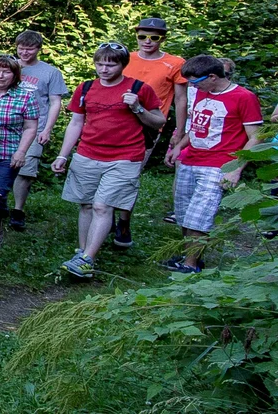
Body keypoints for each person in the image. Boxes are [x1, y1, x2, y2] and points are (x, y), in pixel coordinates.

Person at [53, 43, 165, 279]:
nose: (104, 69)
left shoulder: (139, 88)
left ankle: (87, 260)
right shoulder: (85, 88)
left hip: (125, 157)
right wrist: (63, 154)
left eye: (110, 64)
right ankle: (82, 253)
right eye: (99, 63)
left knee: (102, 206)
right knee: (85, 204)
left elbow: (158, 121)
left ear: (123, 64)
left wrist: (137, 108)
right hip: (87, 154)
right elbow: (76, 123)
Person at [164, 56, 262, 273]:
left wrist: (236, 169)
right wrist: (179, 146)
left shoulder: (244, 97)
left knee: (199, 216)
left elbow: (256, 138)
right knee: (184, 214)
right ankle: (189, 256)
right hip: (191, 159)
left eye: (196, 82)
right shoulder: (202, 92)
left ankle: (190, 265)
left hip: (219, 164)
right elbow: (198, 125)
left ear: (213, 77)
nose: (192, 86)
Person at [117, 18, 186, 249]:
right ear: (136, 36)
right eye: (143, 36)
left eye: (154, 37)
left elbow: (181, 99)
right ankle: (103, 216)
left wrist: (179, 132)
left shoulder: (175, 63)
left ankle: (123, 222)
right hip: (114, 123)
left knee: (130, 176)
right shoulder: (125, 58)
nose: (148, 41)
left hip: (146, 126)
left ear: (162, 38)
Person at [11, 31, 68, 231]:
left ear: (38, 49)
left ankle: (18, 209)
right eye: (21, 48)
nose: (25, 52)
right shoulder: (8, 66)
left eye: (30, 48)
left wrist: (47, 129)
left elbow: (55, 102)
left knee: (25, 169)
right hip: (6, 124)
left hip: (35, 126)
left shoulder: (50, 72)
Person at [0, 55, 39, 247]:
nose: (0, 76)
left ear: (15, 75)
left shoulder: (25, 96)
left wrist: (21, 151)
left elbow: (31, 127)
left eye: (6, 71)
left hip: (7, 152)